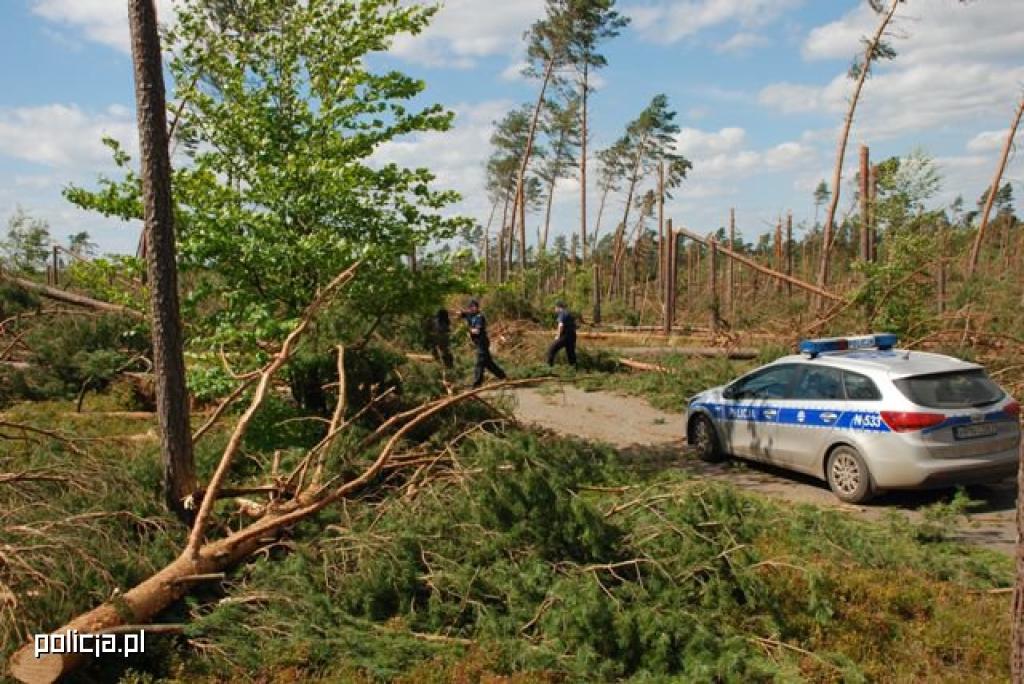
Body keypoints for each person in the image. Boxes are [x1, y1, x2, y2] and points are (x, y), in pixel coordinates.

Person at [459, 299, 507, 388]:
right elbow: (461, 314)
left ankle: (477, 384)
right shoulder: (470, 315)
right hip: (478, 343)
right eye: (471, 307)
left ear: (477, 308)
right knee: (488, 363)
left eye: (474, 307)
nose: (472, 308)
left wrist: (467, 330)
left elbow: (476, 331)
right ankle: (503, 377)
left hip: (482, 342)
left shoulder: (479, 317)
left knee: (479, 363)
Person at [547, 300, 577, 369]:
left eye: (555, 308)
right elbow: (575, 325)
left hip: (565, 336)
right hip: (572, 336)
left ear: (558, 307)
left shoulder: (562, 314)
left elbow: (561, 325)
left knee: (551, 349)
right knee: (571, 354)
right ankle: (573, 369)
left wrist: (558, 336)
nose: (555, 309)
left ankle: (548, 368)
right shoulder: (569, 314)